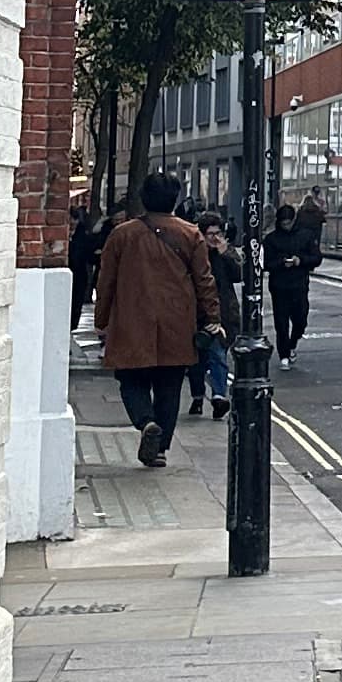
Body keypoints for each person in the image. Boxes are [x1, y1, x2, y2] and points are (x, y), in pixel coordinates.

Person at [93, 172, 220, 469]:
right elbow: (204, 281)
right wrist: (212, 317)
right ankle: (160, 448)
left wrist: (101, 319)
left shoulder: (122, 234)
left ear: (143, 198)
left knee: (130, 379)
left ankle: (146, 422)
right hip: (177, 321)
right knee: (170, 386)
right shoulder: (191, 234)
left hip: (131, 320)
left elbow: (106, 280)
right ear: (174, 199)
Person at [192, 214, 238, 418]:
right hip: (197, 313)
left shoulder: (225, 252)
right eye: (209, 234)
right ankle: (197, 396)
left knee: (218, 354)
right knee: (197, 360)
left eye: (217, 233)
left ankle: (219, 396)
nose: (214, 238)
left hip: (223, 313)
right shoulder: (195, 253)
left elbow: (239, 275)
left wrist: (225, 253)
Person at [263, 201, 319, 366]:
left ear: (294, 220)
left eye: (288, 223)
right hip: (279, 286)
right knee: (281, 322)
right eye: (283, 223)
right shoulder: (271, 239)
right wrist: (281, 263)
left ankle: (293, 342)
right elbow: (265, 263)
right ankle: (284, 354)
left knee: (300, 319)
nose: (286, 226)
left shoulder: (306, 236)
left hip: (299, 284)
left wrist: (300, 261)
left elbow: (316, 258)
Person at [67, 192, 100, 334]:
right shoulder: (79, 234)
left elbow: (88, 252)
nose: (72, 224)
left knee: (76, 303)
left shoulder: (82, 234)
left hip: (79, 274)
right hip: (74, 271)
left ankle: (72, 326)